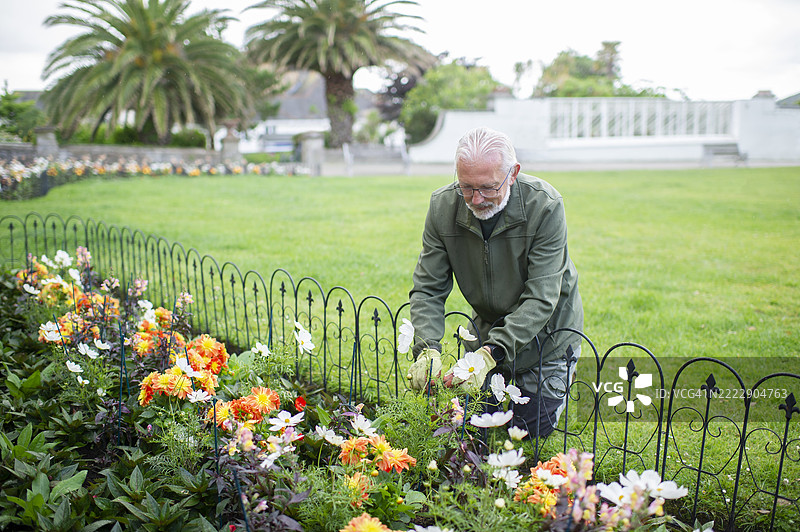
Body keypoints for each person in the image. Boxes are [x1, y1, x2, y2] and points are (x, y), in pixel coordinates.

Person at [406, 126, 583, 438]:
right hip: (488, 331)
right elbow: (428, 287)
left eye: (488, 188)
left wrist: (491, 354)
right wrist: (428, 348)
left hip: (548, 340)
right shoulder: (442, 207)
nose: (476, 199)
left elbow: (542, 296)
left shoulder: (545, 206)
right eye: (466, 187)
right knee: (473, 431)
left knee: (527, 435)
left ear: (512, 174)